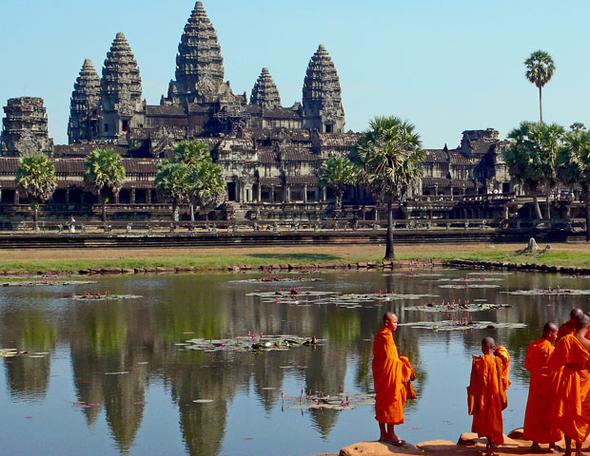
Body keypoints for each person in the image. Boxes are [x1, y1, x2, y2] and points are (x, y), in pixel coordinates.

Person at [372, 312, 416, 446]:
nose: (397, 324)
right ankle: (390, 434)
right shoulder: (386, 337)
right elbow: (391, 360)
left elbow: (379, 359)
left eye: (397, 322)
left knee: (382, 402)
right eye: (395, 322)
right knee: (391, 401)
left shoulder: (380, 336)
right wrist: (405, 364)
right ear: (387, 323)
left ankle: (383, 434)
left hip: (382, 375)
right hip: (389, 377)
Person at [549, 313, 590, 456]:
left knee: (568, 414)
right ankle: (578, 451)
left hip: (568, 379)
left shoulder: (566, 340)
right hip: (584, 380)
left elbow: (553, 364)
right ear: (588, 326)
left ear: (574, 325)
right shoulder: (589, 344)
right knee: (581, 416)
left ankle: (568, 450)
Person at [467, 337, 511, 456]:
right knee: (494, 419)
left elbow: (476, 380)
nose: (481, 349)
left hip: (483, 397)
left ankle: (491, 444)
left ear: (485, 347)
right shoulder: (498, 360)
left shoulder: (481, 361)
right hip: (496, 396)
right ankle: (491, 443)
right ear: (493, 347)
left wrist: (475, 361)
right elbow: (506, 358)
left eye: (482, 347)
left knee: (485, 420)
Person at [523, 322, 562, 453]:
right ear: (550, 333)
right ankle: (551, 445)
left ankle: (535, 443)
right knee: (551, 414)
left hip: (536, 386)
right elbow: (559, 367)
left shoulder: (533, 346)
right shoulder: (552, 350)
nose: (557, 336)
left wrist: (539, 373)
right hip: (551, 387)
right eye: (556, 334)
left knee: (535, 413)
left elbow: (528, 365)